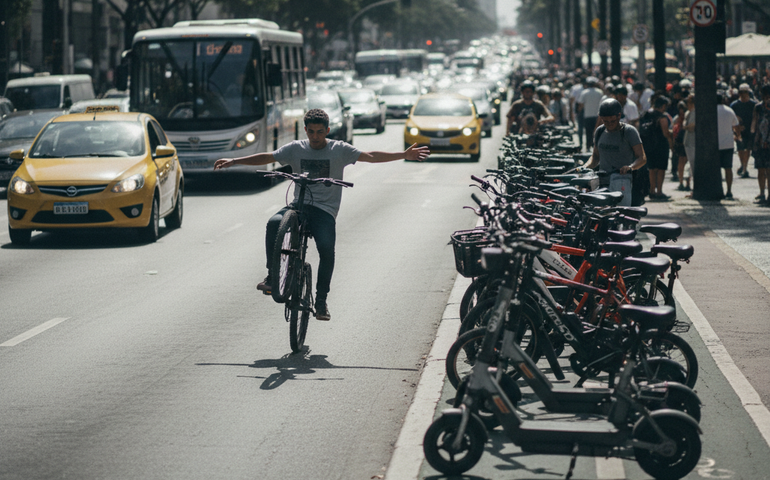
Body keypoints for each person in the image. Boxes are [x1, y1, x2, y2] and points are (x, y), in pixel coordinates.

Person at [213, 109, 430, 321]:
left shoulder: (339, 149)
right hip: (298, 206)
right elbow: (268, 156)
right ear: (305, 130)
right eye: (311, 132)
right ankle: (272, 276)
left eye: (320, 132)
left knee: (326, 249)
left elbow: (370, 156)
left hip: (324, 211)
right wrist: (234, 161)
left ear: (327, 130)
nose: (315, 137)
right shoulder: (296, 148)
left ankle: (321, 301)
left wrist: (404, 154)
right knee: (274, 223)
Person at [582, 98, 647, 207]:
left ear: (619, 116)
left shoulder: (629, 132)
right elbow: (595, 157)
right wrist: (584, 167)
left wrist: (630, 167)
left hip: (623, 183)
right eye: (605, 121)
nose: (609, 124)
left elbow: (642, 158)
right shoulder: (600, 131)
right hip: (602, 183)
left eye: (613, 121)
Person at [640, 96, 672, 200]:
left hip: (648, 145)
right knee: (661, 169)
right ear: (663, 106)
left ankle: (652, 191)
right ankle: (659, 192)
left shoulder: (646, 114)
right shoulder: (662, 117)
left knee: (652, 169)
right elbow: (665, 133)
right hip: (660, 145)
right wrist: (671, 139)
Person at [731, 83, 758, 179]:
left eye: (745, 92)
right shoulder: (734, 105)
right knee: (740, 149)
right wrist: (735, 129)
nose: (744, 94)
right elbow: (731, 118)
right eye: (741, 92)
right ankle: (743, 164)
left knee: (748, 149)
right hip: (739, 130)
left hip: (750, 130)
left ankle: (744, 168)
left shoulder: (754, 104)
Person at [716, 91, 741, 199]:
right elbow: (736, 125)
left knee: (715, 169)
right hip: (728, 143)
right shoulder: (729, 110)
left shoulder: (710, 111)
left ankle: (717, 189)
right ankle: (729, 190)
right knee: (728, 168)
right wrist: (737, 136)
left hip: (715, 144)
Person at [750, 84, 770, 204]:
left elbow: (754, 124)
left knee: (764, 170)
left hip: (761, 142)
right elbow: (754, 123)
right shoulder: (758, 107)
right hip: (760, 142)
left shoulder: (758, 107)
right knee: (762, 169)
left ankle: (764, 194)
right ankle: (763, 193)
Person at [576, 77, 603, 150]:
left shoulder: (584, 92)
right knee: (597, 132)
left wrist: (578, 112)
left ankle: (588, 147)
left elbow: (580, 105)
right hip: (597, 116)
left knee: (588, 132)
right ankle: (596, 147)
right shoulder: (600, 92)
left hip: (587, 115)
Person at [671, 101, 689, 191]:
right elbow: (674, 133)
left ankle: (688, 183)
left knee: (687, 164)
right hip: (680, 143)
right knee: (681, 163)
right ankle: (681, 182)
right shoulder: (676, 119)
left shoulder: (688, 117)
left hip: (687, 141)